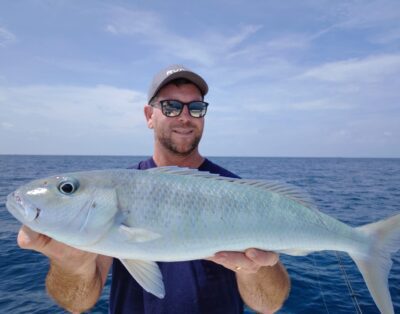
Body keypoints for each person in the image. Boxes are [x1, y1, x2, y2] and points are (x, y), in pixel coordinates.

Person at [17, 65, 290, 314]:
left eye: (195, 107)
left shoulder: (239, 193)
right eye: (171, 107)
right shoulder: (120, 190)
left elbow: (268, 305)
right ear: (149, 115)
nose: (184, 117)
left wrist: (255, 269)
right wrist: (70, 265)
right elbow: (78, 304)